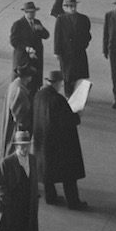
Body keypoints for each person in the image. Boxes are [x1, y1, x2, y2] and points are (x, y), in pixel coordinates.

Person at [32, 71, 88, 209]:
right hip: (61, 144)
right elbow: (68, 120)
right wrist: (77, 115)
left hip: (43, 139)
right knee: (69, 174)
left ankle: (50, 197)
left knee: (47, 171)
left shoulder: (39, 95)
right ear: (56, 83)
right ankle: (73, 202)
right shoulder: (57, 100)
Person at [0, 130, 39, 231]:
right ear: (16, 146)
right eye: (21, 145)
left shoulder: (32, 160)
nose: (24, 148)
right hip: (13, 205)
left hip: (27, 203)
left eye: (27, 145)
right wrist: (7, 200)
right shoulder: (7, 162)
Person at [53, 0, 91, 90]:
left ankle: (78, 94)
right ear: (66, 7)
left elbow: (88, 35)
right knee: (67, 76)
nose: (72, 8)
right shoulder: (61, 19)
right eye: (70, 6)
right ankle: (68, 95)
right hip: (66, 53)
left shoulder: (83, 19)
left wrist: (84, 44)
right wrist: (57, 52)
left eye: (74, 5)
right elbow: (57, 36)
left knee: (79, 75)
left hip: (79, 51)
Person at [10, 2, 49, 90]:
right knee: (23, 84)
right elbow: (14, 41)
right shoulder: (18, 24)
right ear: (25, 12)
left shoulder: (37, 22)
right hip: (24, 59)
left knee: (35, 83)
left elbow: (46, 36)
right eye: (30, 12)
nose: (32, 14)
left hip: (36, 58)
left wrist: (41, 29)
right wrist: (26, 48)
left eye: (34, 12)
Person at [1, 72, 35, 158]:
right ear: (27, 77)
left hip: (12, 125)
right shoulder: (20, 91)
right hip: (16, 131)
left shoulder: (14, 85)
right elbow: (21, 119)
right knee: (14, 151)